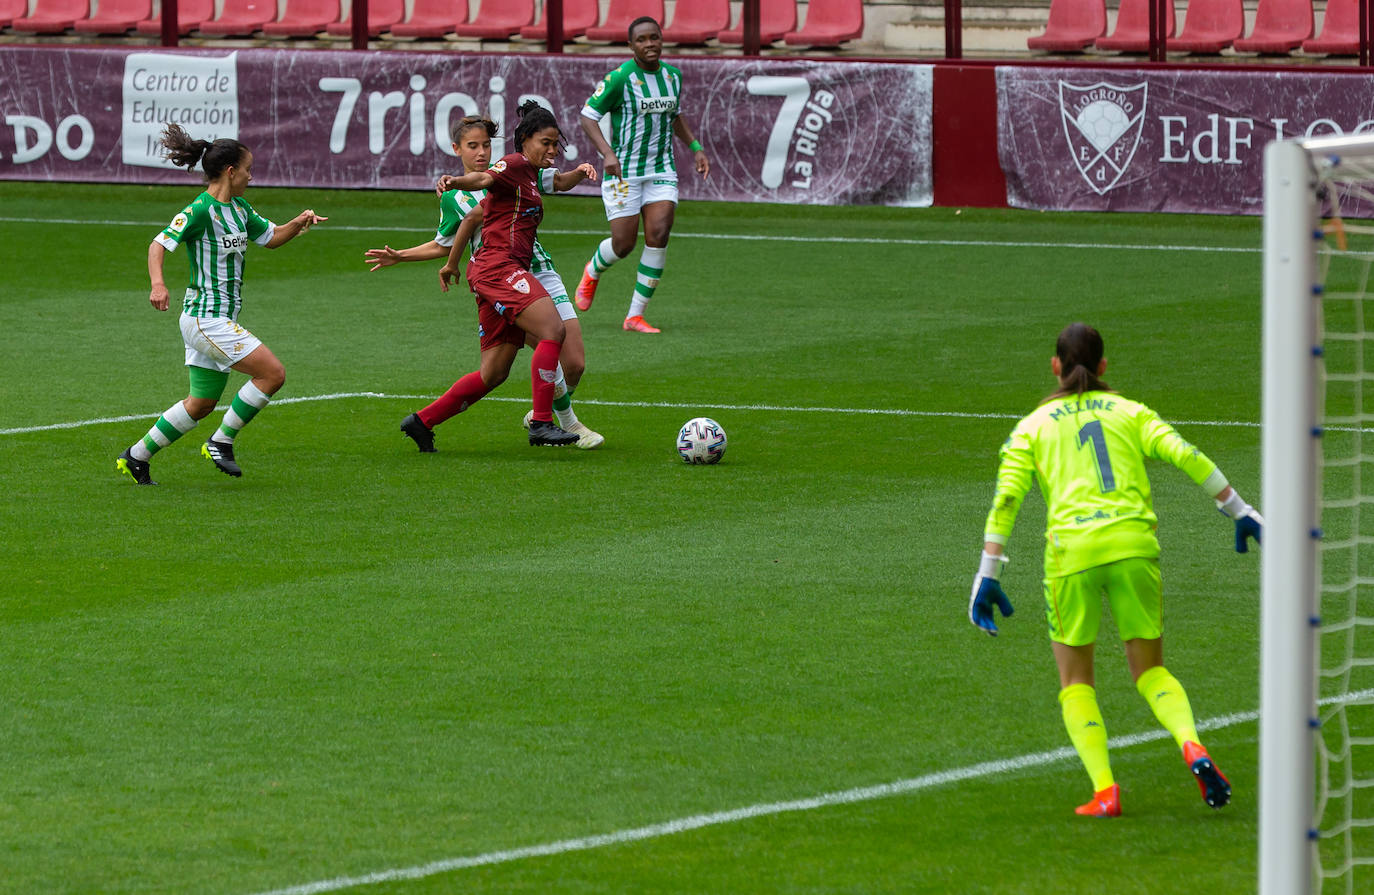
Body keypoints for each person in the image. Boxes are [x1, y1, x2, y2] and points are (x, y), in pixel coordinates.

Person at [967, 323, 1263, 818]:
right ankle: (1193, 746)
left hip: (1071, 558)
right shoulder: (1131, 412)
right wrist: (1240, 510)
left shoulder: (1032, 426)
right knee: (1151, 670)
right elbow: (1185, 454)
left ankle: (1105, 791)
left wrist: (988, 573)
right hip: (1133, 547)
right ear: (1104, 367)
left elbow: (1007, 499)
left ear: (1055, 367)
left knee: (1076, 681)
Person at [364, 116, 603, 450]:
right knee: (552, 334)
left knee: (498, 372)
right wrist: (408, 254)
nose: (481, 151)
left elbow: (556, 181)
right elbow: (454, 232)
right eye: (472, 146)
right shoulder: (481, 182)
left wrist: (580, 172)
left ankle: (420, 422)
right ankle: (550, 422)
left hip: (527, 269)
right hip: (501, 272)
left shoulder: (518, 169)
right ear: (456, 149)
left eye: (486, 145)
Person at [115, 124, 326, 485]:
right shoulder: (199, 210)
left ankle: (136, 456)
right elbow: (158, 244)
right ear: (231, 171)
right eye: (248, 169)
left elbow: (272, 238)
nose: (250, 176)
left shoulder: (240, 208)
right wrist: (158, 284)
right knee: (272, 374)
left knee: (201, 404)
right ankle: (220, 441)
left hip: (217, 318)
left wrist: (298, 221)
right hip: (205, 318)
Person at [573, 15, 710, 334]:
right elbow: (587, 117)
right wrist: (607, 153)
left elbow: (675, 116)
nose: (650, 44)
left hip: (661, 169)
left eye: (654, 38)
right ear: (631, 45)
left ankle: (634, 316)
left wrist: (695, 146)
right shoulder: (620, 78)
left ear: (662, 40)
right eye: (642, 40)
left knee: (659, 233)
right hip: (625, 172)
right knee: (623, 244)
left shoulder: (673, 77)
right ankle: (592, 271)